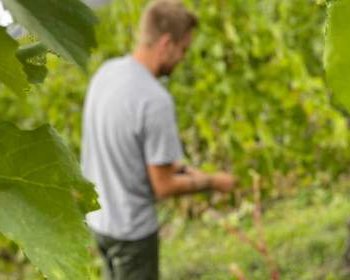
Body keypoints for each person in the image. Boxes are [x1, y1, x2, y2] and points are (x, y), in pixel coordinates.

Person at [80, 1, 237, 279]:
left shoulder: (106, 72)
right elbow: (163, 186)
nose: (183, 58)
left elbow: (124, 150)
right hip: (131, 231)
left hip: (99, 221)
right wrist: (214, 182)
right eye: (183, 50)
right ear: (166, 44)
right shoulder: (154, 99)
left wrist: (184, 171)